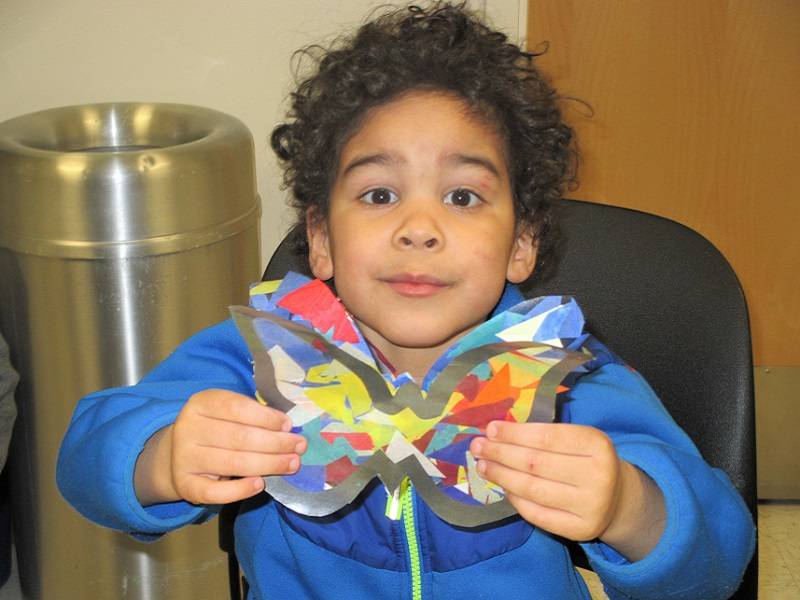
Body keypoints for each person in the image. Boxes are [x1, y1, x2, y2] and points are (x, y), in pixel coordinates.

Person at [57, 3, 755, 599]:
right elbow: (85, 455)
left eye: (463, 196)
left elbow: (721, 560)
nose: (419, 228)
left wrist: (628, 506)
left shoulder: (563, 375)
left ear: (522, 243)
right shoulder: (263, 361)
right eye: (379, 194)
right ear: (322, 240)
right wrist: (161, 456)